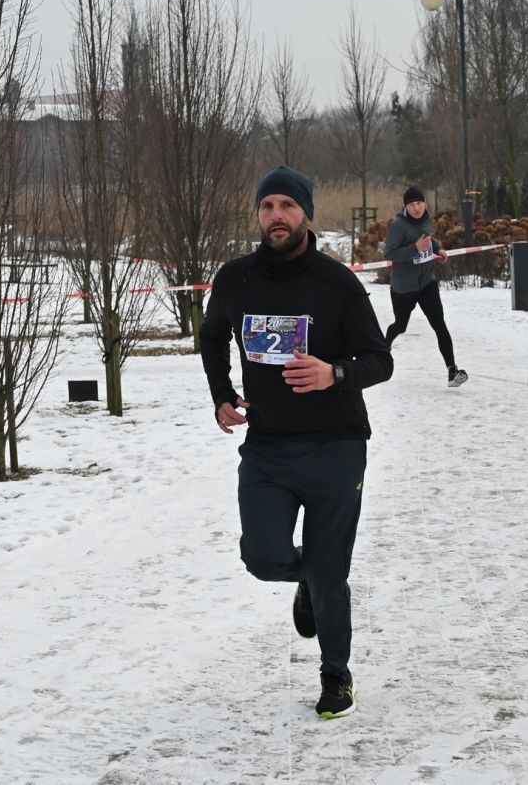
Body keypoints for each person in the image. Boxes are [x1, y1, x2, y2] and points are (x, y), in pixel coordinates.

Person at [200, 166, 394, 719]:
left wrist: (335, 373)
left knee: (331, 571)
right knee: (263, 558)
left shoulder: (337, 284)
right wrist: (222, 394)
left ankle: (336, 674)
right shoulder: (235, 279)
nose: (276, 216)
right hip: (267, 448)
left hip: (336, 445)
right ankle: (304, 575)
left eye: (287, 205)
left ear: (306, 213)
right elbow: (212, 337)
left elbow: (380, 360)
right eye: (267, 206)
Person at [382, 187, 468, 387]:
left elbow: (428, 239)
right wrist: (415, 249)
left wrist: (439, 249)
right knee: (400, 325)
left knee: (439, 324)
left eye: (419, 203)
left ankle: (452, 371)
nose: (417, 208)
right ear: (406, 207)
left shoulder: (427, 220)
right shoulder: (399, 226)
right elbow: (389, 253)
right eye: (412, 204)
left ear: (424, 203)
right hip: (404, 287)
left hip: (427, 283)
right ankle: (382, 349)